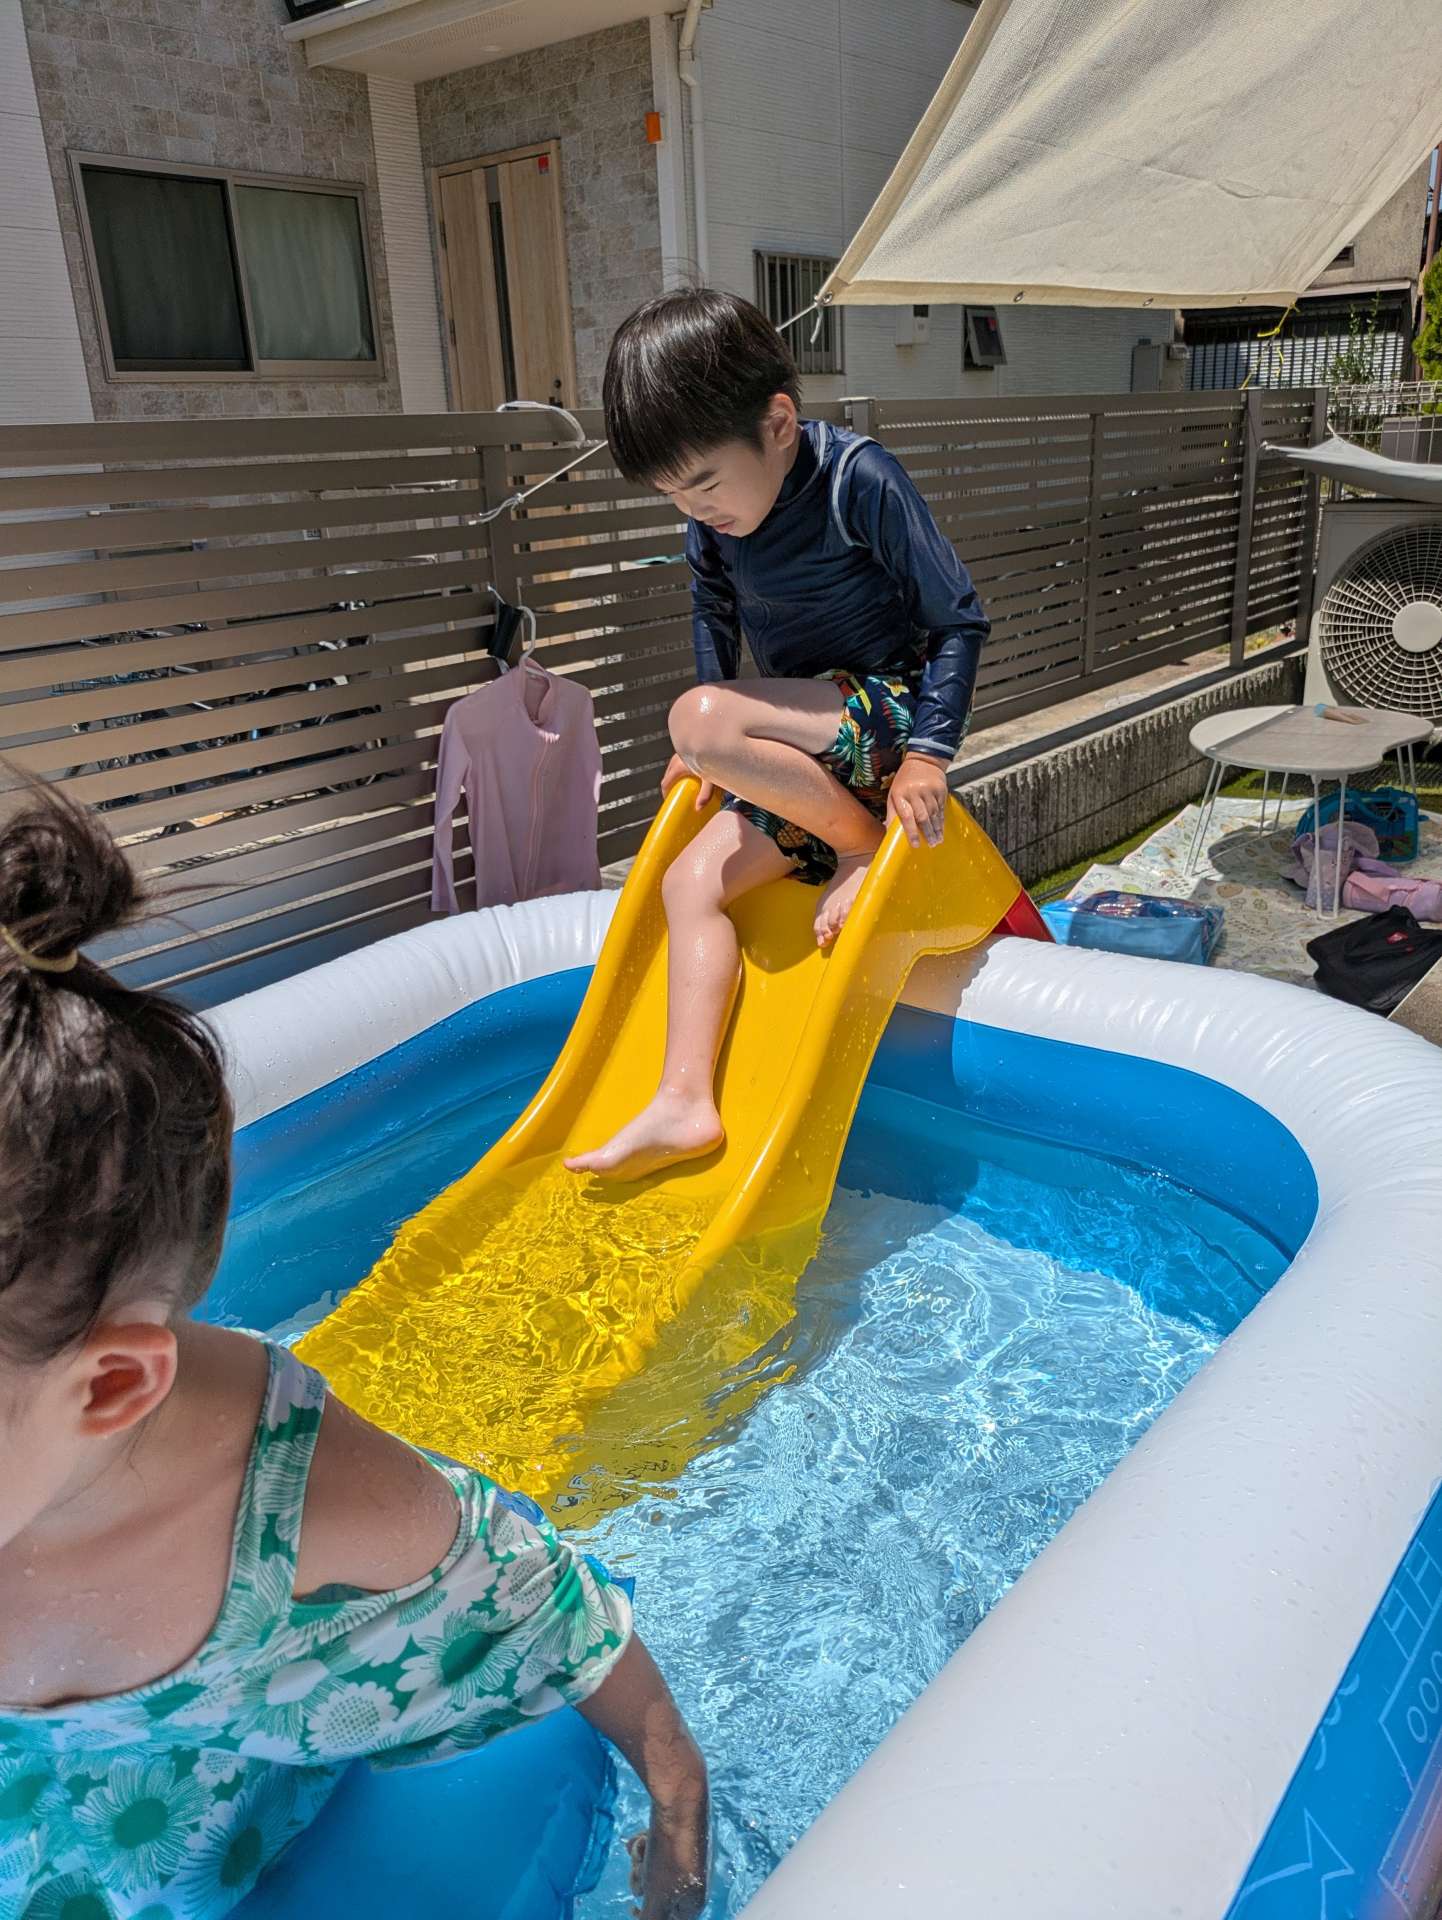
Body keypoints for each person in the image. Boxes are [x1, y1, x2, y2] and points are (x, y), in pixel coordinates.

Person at [0, 782, 708, 1920]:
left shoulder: (296, 1501)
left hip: (178, 1782)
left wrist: (677, 1796)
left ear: (111, 1385)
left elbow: (537, 1602)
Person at [566, 288, 988, 1181]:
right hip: (812, 765)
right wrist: (710, 748)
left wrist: (929, 753)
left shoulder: (857, 480)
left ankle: (859, 847)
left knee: (699, 713)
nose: (695, 510)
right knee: (687, 885)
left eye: (704, 483)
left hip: (888, 720)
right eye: (673, 495)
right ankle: (685, 1100)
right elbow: (713, 610)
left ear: (780, 423)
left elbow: (958, 619)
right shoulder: (714, 526)